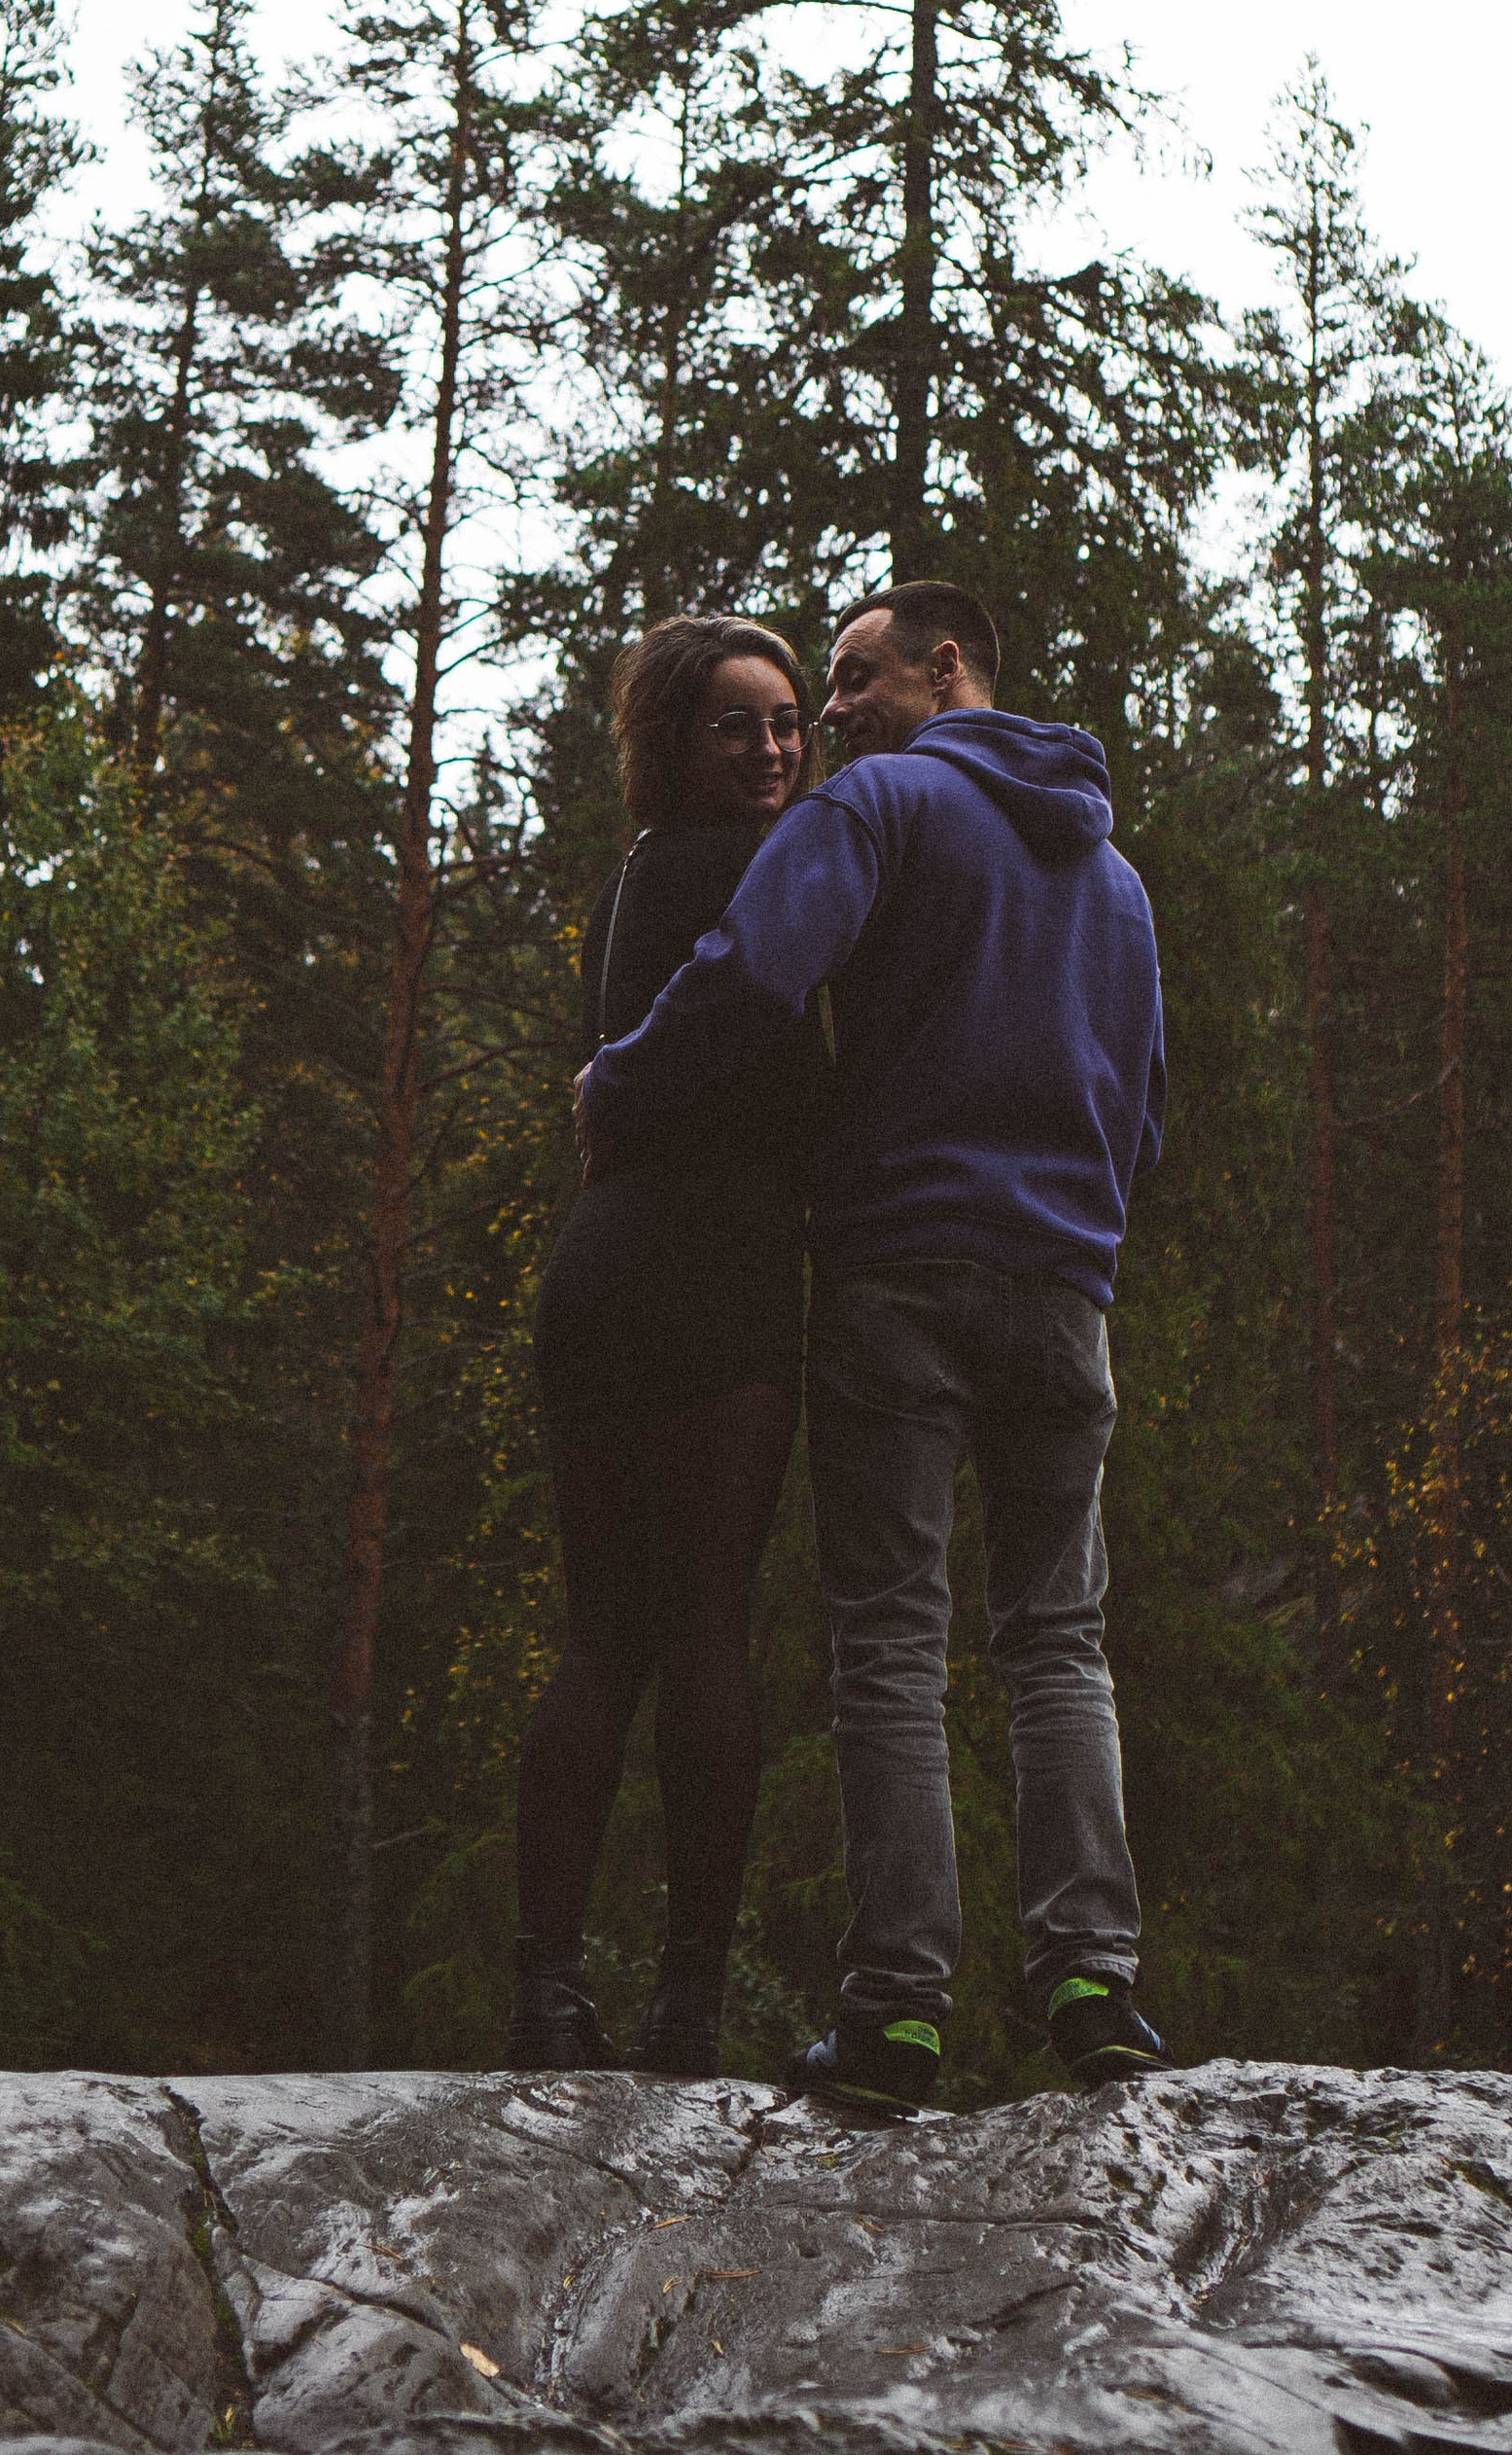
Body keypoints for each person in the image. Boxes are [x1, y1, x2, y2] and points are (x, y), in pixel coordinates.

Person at [579, 579, 1169, 2118]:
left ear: (945, 666)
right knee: (1058, 1636)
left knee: (893, 1641)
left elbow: (750, 979)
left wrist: (616, 1087)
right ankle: (1093, 1981)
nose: (827, 714)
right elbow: (1143, 1102)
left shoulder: (883, 810)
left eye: (850, 677)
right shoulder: (1112, 873)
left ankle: (899, 2012)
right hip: (1066, 1289)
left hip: (901, 1273)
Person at [507, 614, 827, 2081]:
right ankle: (687, 2010)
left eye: (789, 722)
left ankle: (545, 1990)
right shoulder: (778, 874)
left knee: (600, 1639)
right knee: (704, 1629)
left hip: (602, 1264)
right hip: (716, 1271)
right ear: (672, 745)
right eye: (736, 726)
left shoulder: (635, 880)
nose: (772, 748)